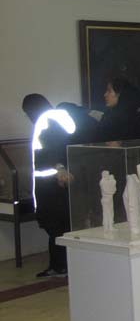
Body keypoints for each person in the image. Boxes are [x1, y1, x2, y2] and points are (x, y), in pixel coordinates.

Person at [22, 94, 77, 277]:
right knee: (58, 226)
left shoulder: (46, 122)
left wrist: (59, 168)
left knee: (54, 225)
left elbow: (50, 150)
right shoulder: (59, 119)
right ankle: (59, 265)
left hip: (49, 184)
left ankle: (60, 265)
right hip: (55, 183)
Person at [95, 77, 140, 142]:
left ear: (120, 94)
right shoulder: (107, 116)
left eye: (109, 91)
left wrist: (121, 144)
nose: (105, 94)